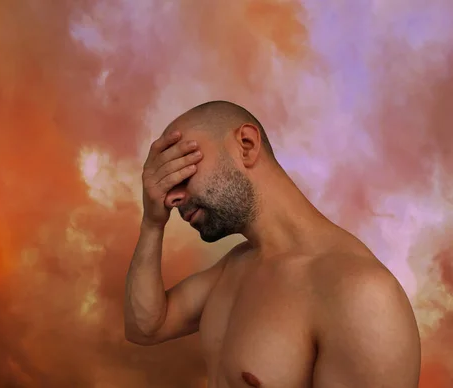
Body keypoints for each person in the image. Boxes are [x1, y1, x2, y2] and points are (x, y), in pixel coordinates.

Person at [123, 101, 421, 387]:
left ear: (247, 145)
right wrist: (152, 223)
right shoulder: (236, 266)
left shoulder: (362, 296)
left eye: (182, 169)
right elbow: (146, 327)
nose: (170, 197)